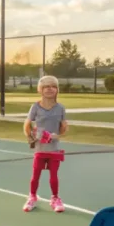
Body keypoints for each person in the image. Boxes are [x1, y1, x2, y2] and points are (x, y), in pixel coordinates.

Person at [22, 75, 68, 212]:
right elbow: (27, 124)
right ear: (40, 90)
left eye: (53, 86)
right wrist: (30, 136)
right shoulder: (35, 107)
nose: (50, 89)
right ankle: (32, 197)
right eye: (46, 87)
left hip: (54, 149)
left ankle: (55, 198)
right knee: (35, 174)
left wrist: (57, 135)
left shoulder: (60, 108)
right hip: (40, 148)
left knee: (54, 175)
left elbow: (64, 127)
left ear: (57, 90)